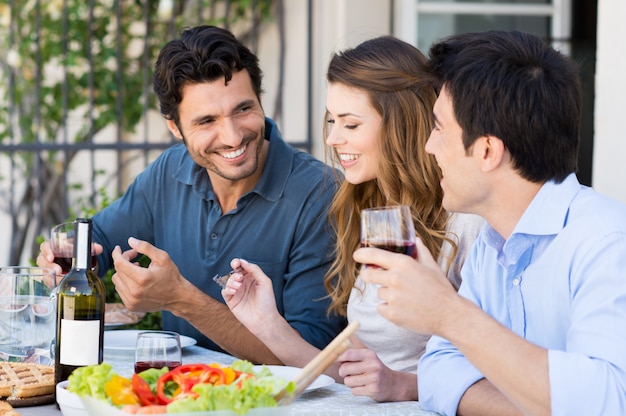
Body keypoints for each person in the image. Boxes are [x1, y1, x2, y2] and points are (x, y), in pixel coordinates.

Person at [355, 29, 626, 416]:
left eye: (438, 128)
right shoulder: (493, 240)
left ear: (486, 151)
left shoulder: (607, 243)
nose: (429, 147)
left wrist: (449, 314)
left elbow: (608, 402)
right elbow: (438, 372)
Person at [36, 25, 346, 363]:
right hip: (174, 396)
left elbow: (315, 355)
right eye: (206, 121)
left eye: (243, 109)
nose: (231, 137)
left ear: (260, 99)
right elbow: (98, 238)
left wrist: (180, 299)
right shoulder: (169, 171)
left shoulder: (320, 193)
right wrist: (69, 257)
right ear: (174, 126)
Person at [221, 35, 483, 401]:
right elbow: (347, 374)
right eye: (331, 120)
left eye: (351, 124)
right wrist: (266, 323)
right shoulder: (369, 211)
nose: (332, 138)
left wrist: (406, 386)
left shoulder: (465, 222)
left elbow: (500, 373)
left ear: (400, 124)